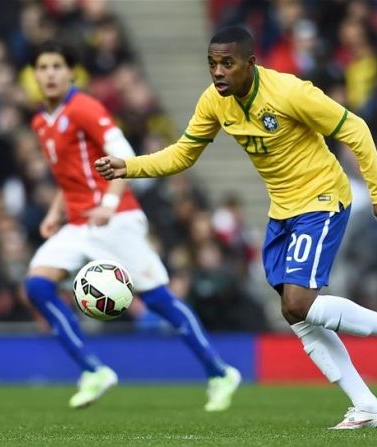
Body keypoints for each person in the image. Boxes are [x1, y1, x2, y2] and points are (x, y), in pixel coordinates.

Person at [95, 26, 377, 429]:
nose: (218, 72)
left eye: (227, 63)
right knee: (296, 314)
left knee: (299, 302)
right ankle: (366, 406)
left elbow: (356, 129)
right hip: (283, 211)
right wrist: (129, 166)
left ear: (250, 63)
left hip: (322, 198)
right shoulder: (214, 102)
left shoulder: (290, 92)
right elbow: (184, 154)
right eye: (212, 63)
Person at [24, 41, 241, 411]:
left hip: (116, 219)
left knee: (157, 299)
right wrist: (54, 213)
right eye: (43, 67)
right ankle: (93, 370)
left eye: (57, 66)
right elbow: (68, 176)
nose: (50, 74)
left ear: (71, 72)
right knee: (36, 285)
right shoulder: (41, 122)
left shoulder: (85, 108)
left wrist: (109, 204)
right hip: (78, 224)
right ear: (34, 75)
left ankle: (219, 372)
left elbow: (123, 155)